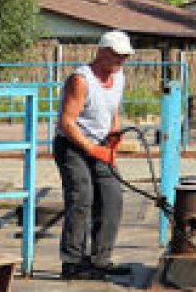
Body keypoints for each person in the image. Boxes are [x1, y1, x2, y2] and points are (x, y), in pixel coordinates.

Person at [54, 29, 133, 279]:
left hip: (100, 145)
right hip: (72, 146)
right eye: (117, 56)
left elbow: (114, 110)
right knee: (82, 197)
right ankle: (72, 262)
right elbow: (67, 123)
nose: (121, 61)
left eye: (124, 57)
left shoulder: (119, 77)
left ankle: (101, 259)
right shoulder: (81, 80)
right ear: (102, 52)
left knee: (113, 198)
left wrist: (114, 137)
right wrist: (93, 149)